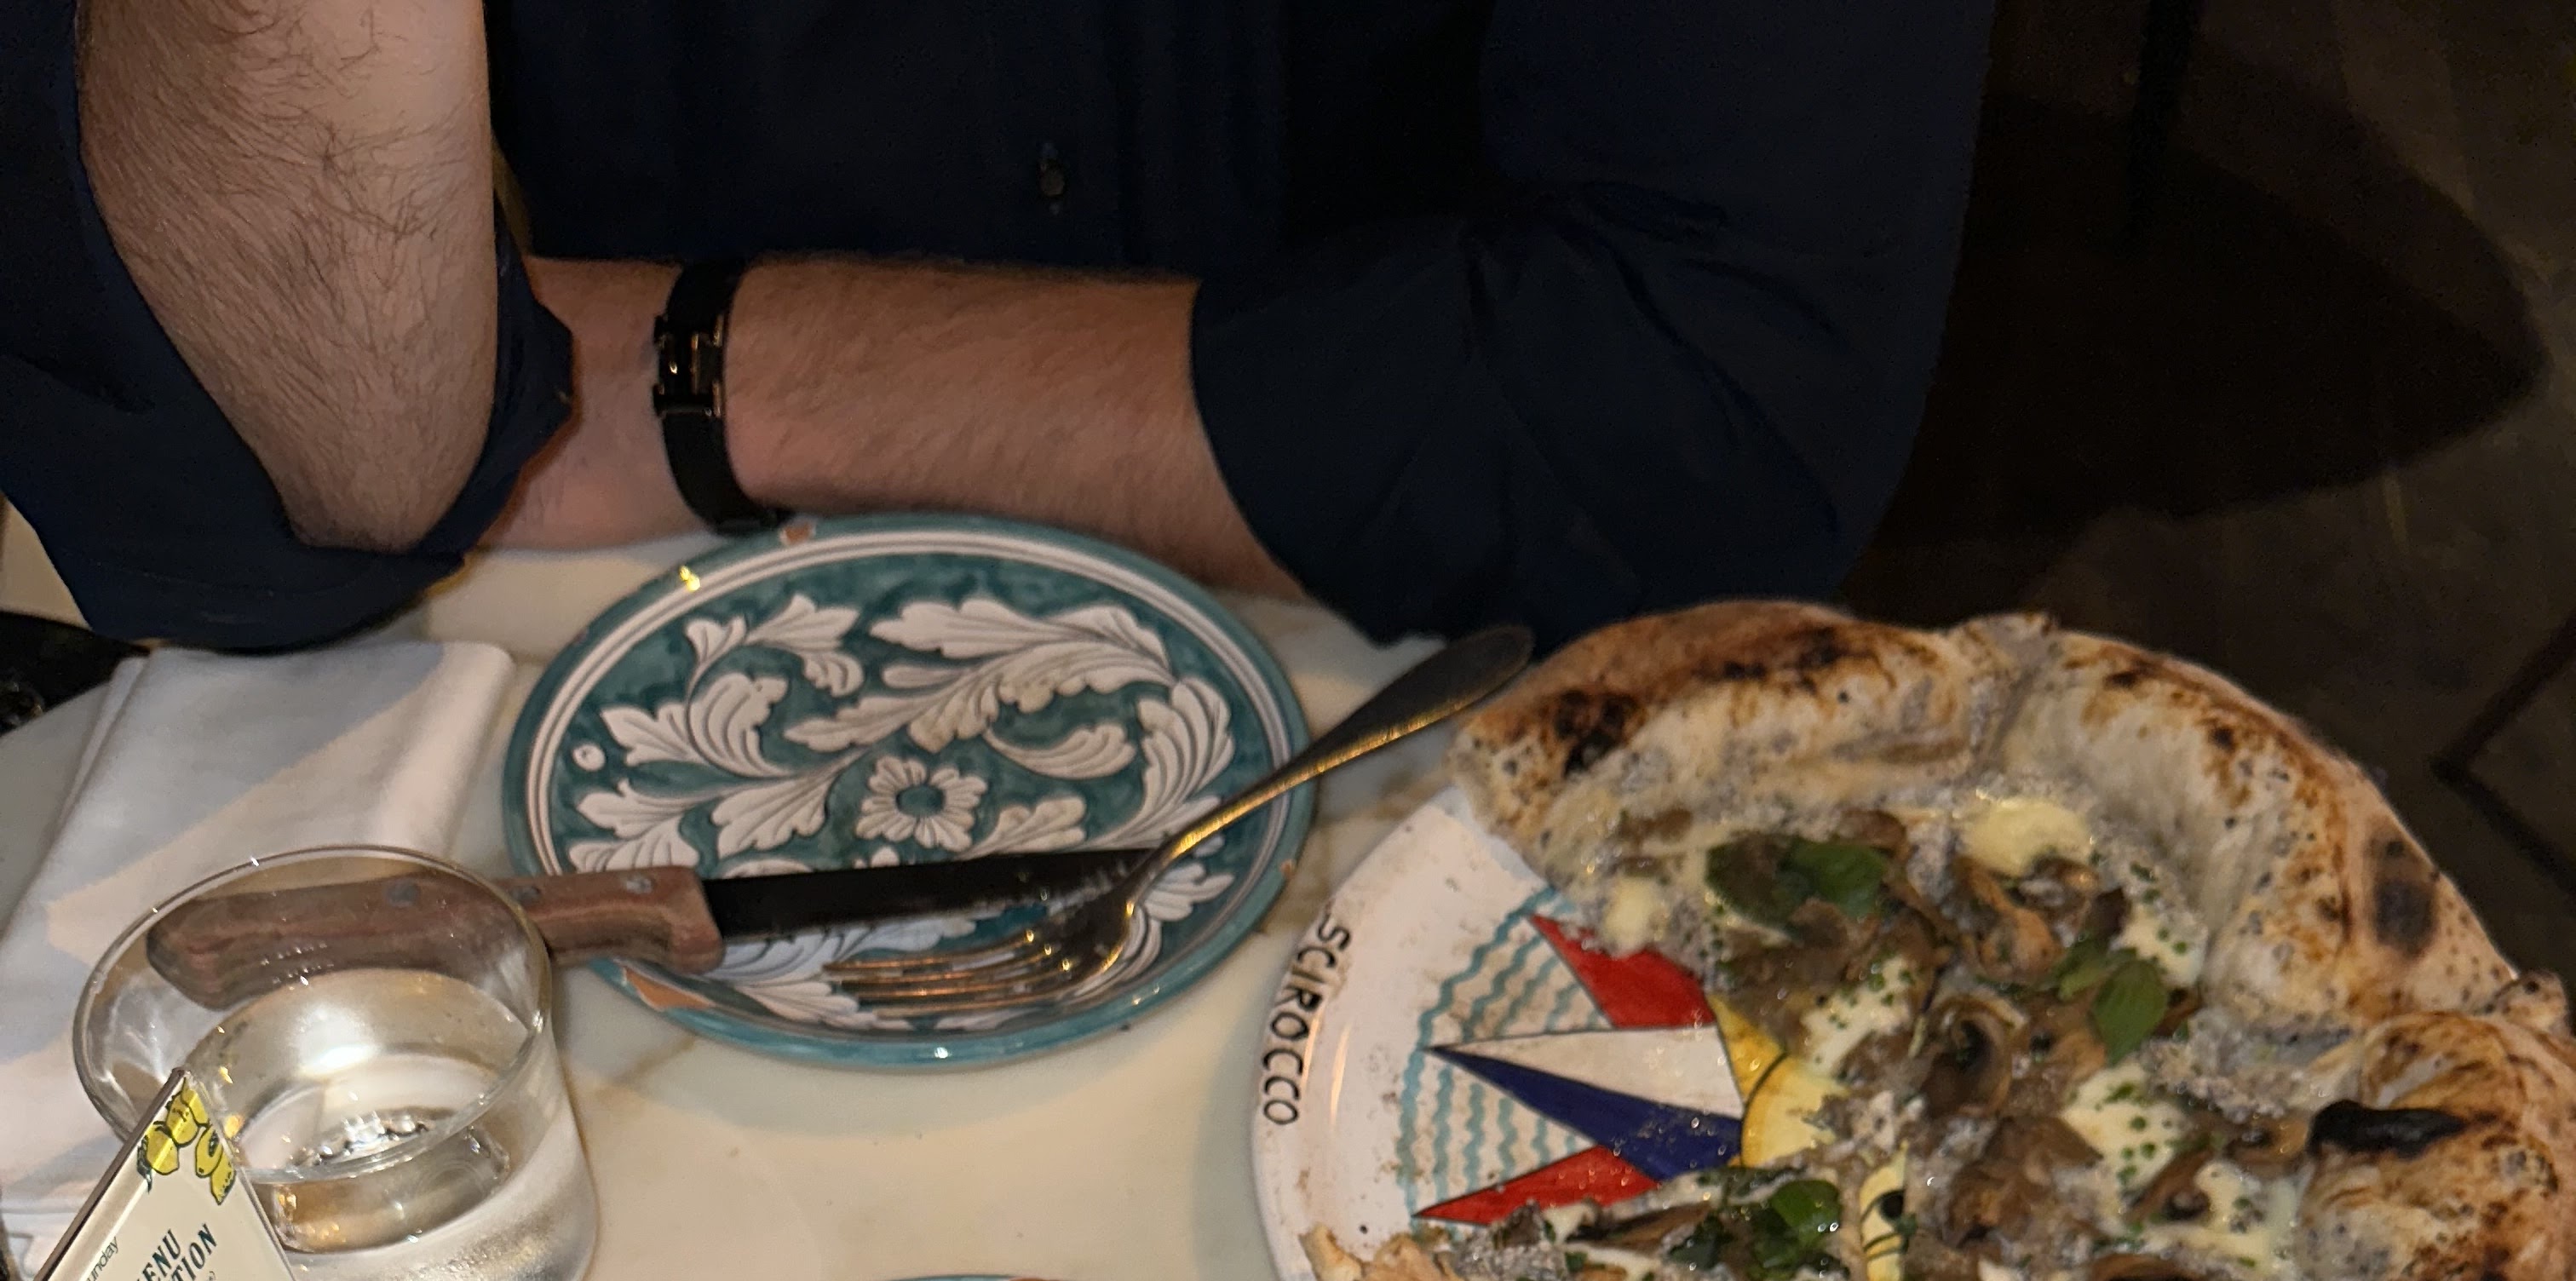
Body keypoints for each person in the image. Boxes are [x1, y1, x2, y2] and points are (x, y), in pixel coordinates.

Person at [3, 2, 1992, 658]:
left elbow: (1714, 412)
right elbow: (297, 476)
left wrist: (723, 372)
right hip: (657, 699)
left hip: (1441, 721)